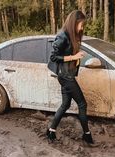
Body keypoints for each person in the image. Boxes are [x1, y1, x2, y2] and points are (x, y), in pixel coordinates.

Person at [46, 10, 94, 145]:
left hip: (68, 75)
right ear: (74, 23)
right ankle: (86, 134)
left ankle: (51, 130)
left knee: (65, 104)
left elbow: (68, 52)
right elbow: (53, 57)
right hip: (66, 76)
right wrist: (74, 57)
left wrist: (77, 53)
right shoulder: (63, 36)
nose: (82, 28)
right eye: (81, 24)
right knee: (82, 104)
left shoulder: (71, 36)